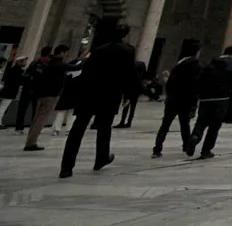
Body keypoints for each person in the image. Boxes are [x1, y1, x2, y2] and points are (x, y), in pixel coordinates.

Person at [59, 22, 138, 178]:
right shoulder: (127, 51)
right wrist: (128, 94)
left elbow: (86, 70)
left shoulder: (98, 50)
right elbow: (129, 73)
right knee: (104, 128)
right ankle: (101, 158)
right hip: (110, 94)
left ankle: (66, 167)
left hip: (90, 92)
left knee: (78, 129)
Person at [190, 46, 232, 159]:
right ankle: (206, 150)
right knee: (214, 126)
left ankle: (195, 136)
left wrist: (200, 95)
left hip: (205, 99)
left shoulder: (210, 64)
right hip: (222, 100)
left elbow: (199, 80)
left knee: (201, 121)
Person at [153, 47, 201, 158]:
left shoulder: (179, 64)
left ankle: (157, 148)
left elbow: (170, 83)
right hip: (186, 101)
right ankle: (187, 146)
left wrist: (169, 96)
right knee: (185, 125)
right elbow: (194, 86)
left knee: (165, 125)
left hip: (173, 100)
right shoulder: (196, 65)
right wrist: (194, 104)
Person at [23, 44, 69, 151]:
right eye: (66, 53)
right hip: (50, 95)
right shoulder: (58, 64)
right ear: (62, 53)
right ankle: (31, 142)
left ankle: (30, 140)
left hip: (39, 94)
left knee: (36, 118)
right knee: (41, 119)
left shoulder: (44, 63)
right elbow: (73, 67)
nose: (67, 56)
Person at [115, 59, 146, 128]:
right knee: (133, 106)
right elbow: (144, 75)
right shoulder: (141, 64)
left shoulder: (129, 64)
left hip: (128, 87)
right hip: (137, 88)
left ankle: (122, 121)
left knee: (126, 105)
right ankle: (129, 122)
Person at [0, 56, 26, 127]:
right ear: (19, 62)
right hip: (9, 92)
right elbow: (20, 82)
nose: (25, 63)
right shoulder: (19, 72)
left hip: (5, 91)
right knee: (3, 108)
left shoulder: (11, 70)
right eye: (23, 61)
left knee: (3, 107)